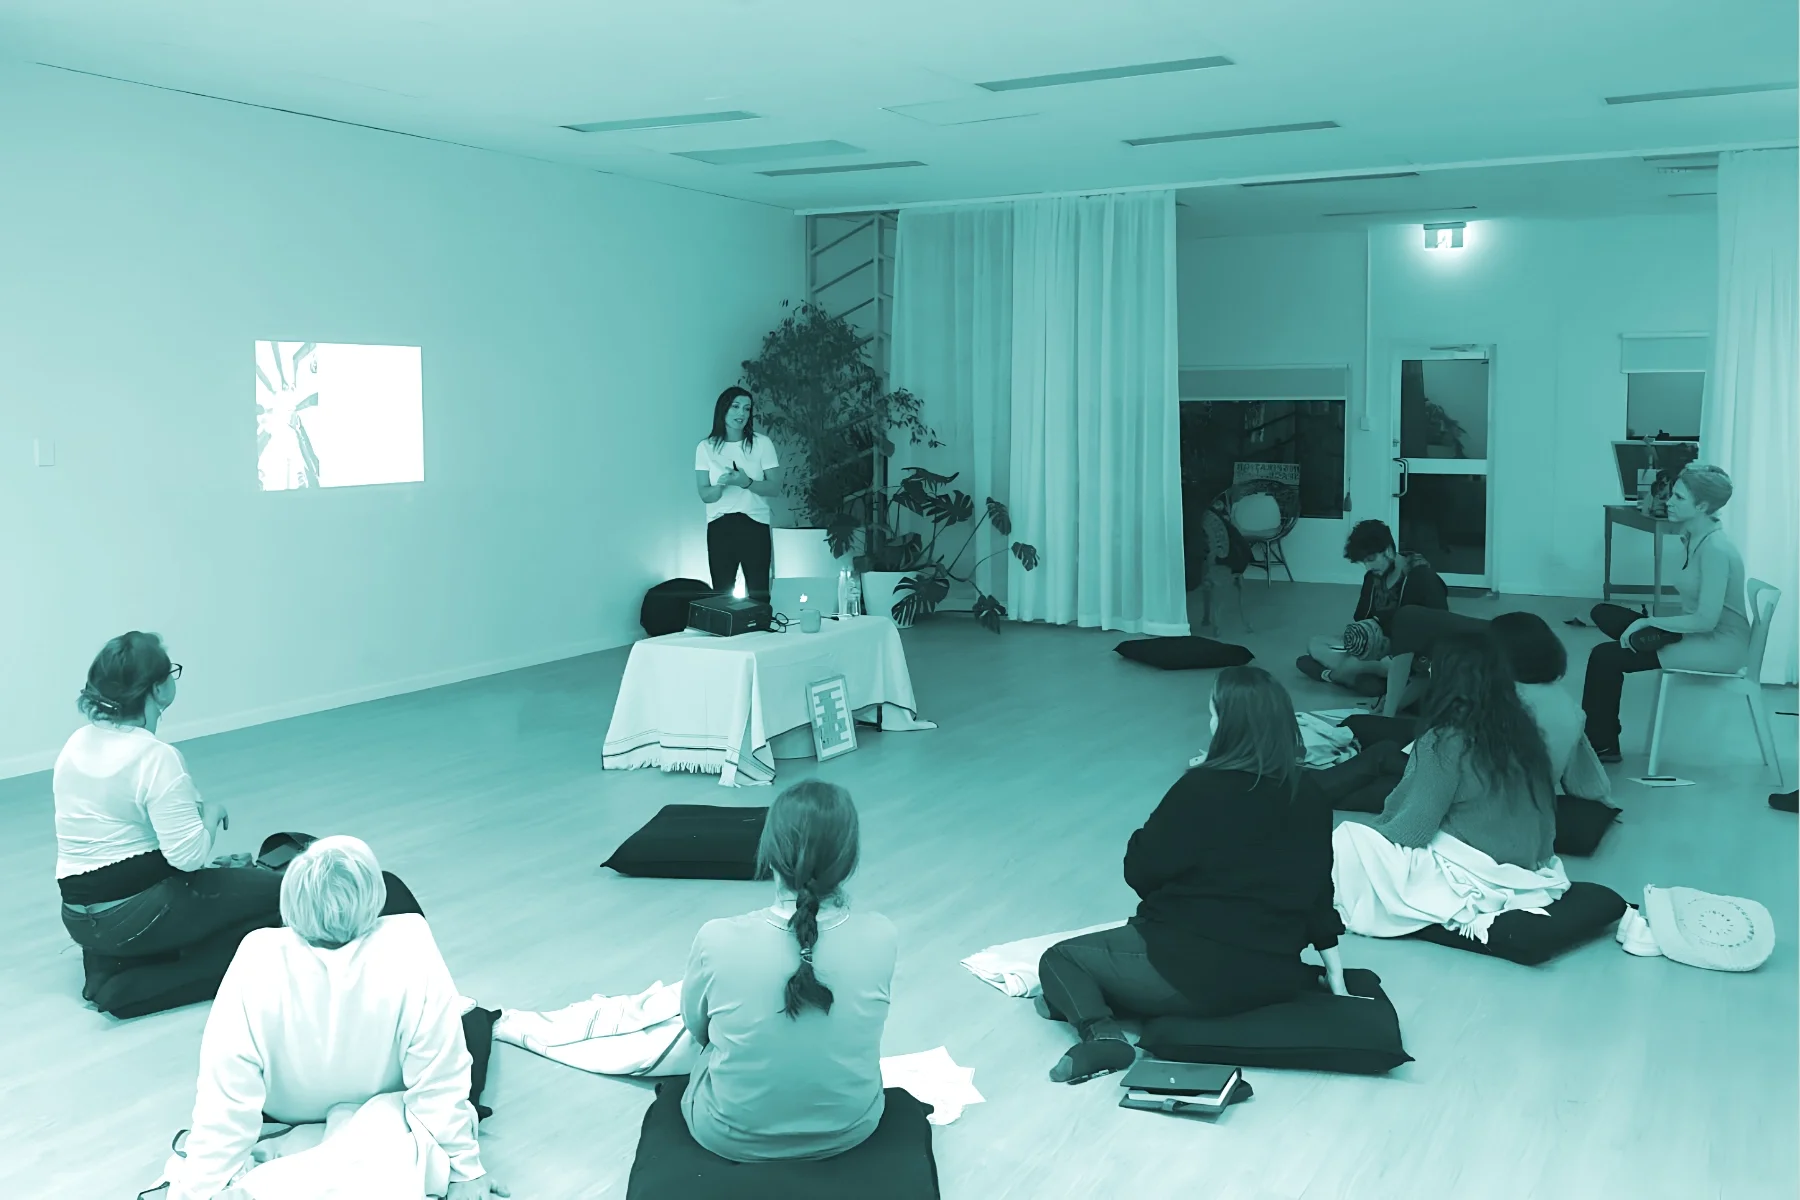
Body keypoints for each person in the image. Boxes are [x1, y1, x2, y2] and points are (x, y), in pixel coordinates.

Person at [54, 631, 422, 1018]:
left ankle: (121, 965)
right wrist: (210, 815)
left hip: (81, 921)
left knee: (237, 885)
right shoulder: (155, 757)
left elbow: (125, 839)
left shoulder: (77, 744)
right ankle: (132, 985)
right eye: (171, 674)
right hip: (135, 917)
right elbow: (188, 858)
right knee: (288, 896)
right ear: (159, 689)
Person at [1036, 667, 1347, 1085]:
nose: (1211, 725)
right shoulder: (1310, 794)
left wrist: (1193, 783)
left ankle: (1103, 1036)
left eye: (1214, 715)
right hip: (1273, 977)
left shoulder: (1201, 790)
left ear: (1231, 727)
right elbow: (1318, 892)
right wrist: (1337, 977)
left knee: (1060, 960)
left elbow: (1141, 871)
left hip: (1192, 974)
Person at [160, 837, 504, 1200]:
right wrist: (465, 1169)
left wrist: (199, 1189)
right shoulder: (409, 939)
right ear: (375, 901)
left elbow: (226, 1085)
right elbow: (440, 1074)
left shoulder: (255, 953)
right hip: (385, 1096)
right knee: (472, 1026)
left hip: (284, 1109)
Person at [680, 781, 896, 1162]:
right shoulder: (882, 934)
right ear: (849, 858)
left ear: (770, 851)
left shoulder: (717, 938)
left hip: (728, 1135)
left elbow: (698, 1029)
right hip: (853, 1128)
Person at [1332, 632, 1568, 940]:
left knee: (1348, 839)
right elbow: (1547, 822)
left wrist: (1372, 841)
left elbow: (1411, 831)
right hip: (1525, 868)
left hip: (1475, 873)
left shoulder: (1445, 740)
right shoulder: (1524, 733)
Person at [1582, 464, 1749, 763]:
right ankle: (1646, 637)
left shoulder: (1716, 550)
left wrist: (1648, 621)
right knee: (1603, 613)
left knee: (1604, 657)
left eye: (1679, 498)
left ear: (1702, 506)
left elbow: (1705, 620)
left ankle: (1602, 744)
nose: (1669, 501)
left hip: (1719, 646)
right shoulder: (1693, 538)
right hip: (1696, 634)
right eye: (1672, 494)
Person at [1300, 520, 1449, 695]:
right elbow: (1361, 618)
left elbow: (1441, 627)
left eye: (1371, 559)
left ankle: (1332, 675)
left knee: (1358, 663)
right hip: (1374, 648)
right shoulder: (1373, 577)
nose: (1368, 567)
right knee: (1316, 644)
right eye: (1364, 562)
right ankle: (1366, 678)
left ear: (1387, 550)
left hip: (1406, 656)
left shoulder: (1423, 577)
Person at [1489, 612, 1610, 801]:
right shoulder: (1568, 705)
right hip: (1535, 808)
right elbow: (1588, 784)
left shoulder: (1493, 699)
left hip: (1487, 808)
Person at [694, 386, 783, 606]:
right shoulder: (706, 447)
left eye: (746, 408)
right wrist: (722, 485)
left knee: (758, 593)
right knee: (721, 594)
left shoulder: (762, 444)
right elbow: (705, 494)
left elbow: (774, 488)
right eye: (735, 407)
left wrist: (746, 483)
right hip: (719, 525)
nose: (741, 413)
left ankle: (761, 635)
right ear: (723, 409)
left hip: (754, 524)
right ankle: (727, 638)